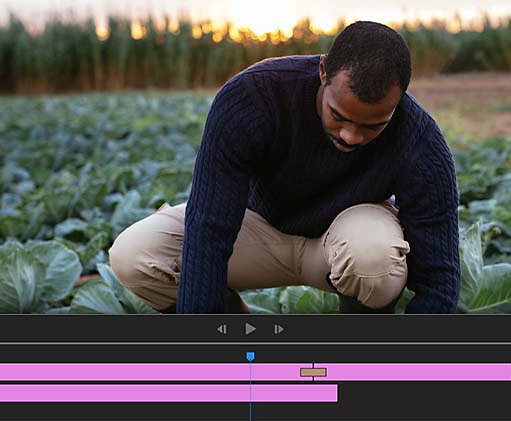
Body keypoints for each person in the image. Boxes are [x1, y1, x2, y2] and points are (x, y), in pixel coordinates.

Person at [108, 21, 460, 314]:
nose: (351, 136)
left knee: (374, 259)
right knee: (136, 256)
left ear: (399, 103)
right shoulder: (252, 98)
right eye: (339, 116)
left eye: (373, 125)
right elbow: (210, 227)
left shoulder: (420, 141)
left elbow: (439, 281)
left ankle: (357, 359)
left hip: (345, 238)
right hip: (257, 226)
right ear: (323, 71)